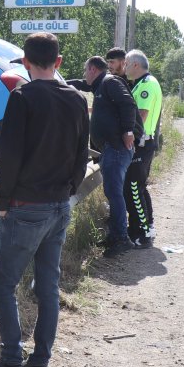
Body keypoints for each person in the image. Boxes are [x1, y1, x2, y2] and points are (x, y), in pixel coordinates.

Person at [0, 32, 89, 367]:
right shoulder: (76, 98)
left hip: (26, 206)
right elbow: (81, 153)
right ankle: (39, 364)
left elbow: (9, 155)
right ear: (58, 62)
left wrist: (4, 203)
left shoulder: (21, 97)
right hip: (60, 204)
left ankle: (12, 361)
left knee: (2, 284)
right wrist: (69, 190)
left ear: (25, 62)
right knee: (48, 287)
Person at [70, 55, 138, 257]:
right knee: (113, 193)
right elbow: (83, 84)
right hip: (111, 149)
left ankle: (121, 239)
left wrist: (127, 131)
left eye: (85, 71)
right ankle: (115, 235)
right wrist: (60, 81)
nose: (84, 76)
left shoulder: (110, 82)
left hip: (117, 148)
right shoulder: (101, 84)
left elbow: (128, 105)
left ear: (92, 69)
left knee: (114, 194)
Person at [124, 49, 162, 249]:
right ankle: (146, 226)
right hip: (143, 143)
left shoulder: (147, 84)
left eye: (127, 63)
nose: (124, 67)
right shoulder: (141, 83)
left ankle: (143, 233)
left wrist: (124, 131)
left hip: (141, 144)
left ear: (135, 65)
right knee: (138, 186)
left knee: (133, 188)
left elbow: (141, 114)